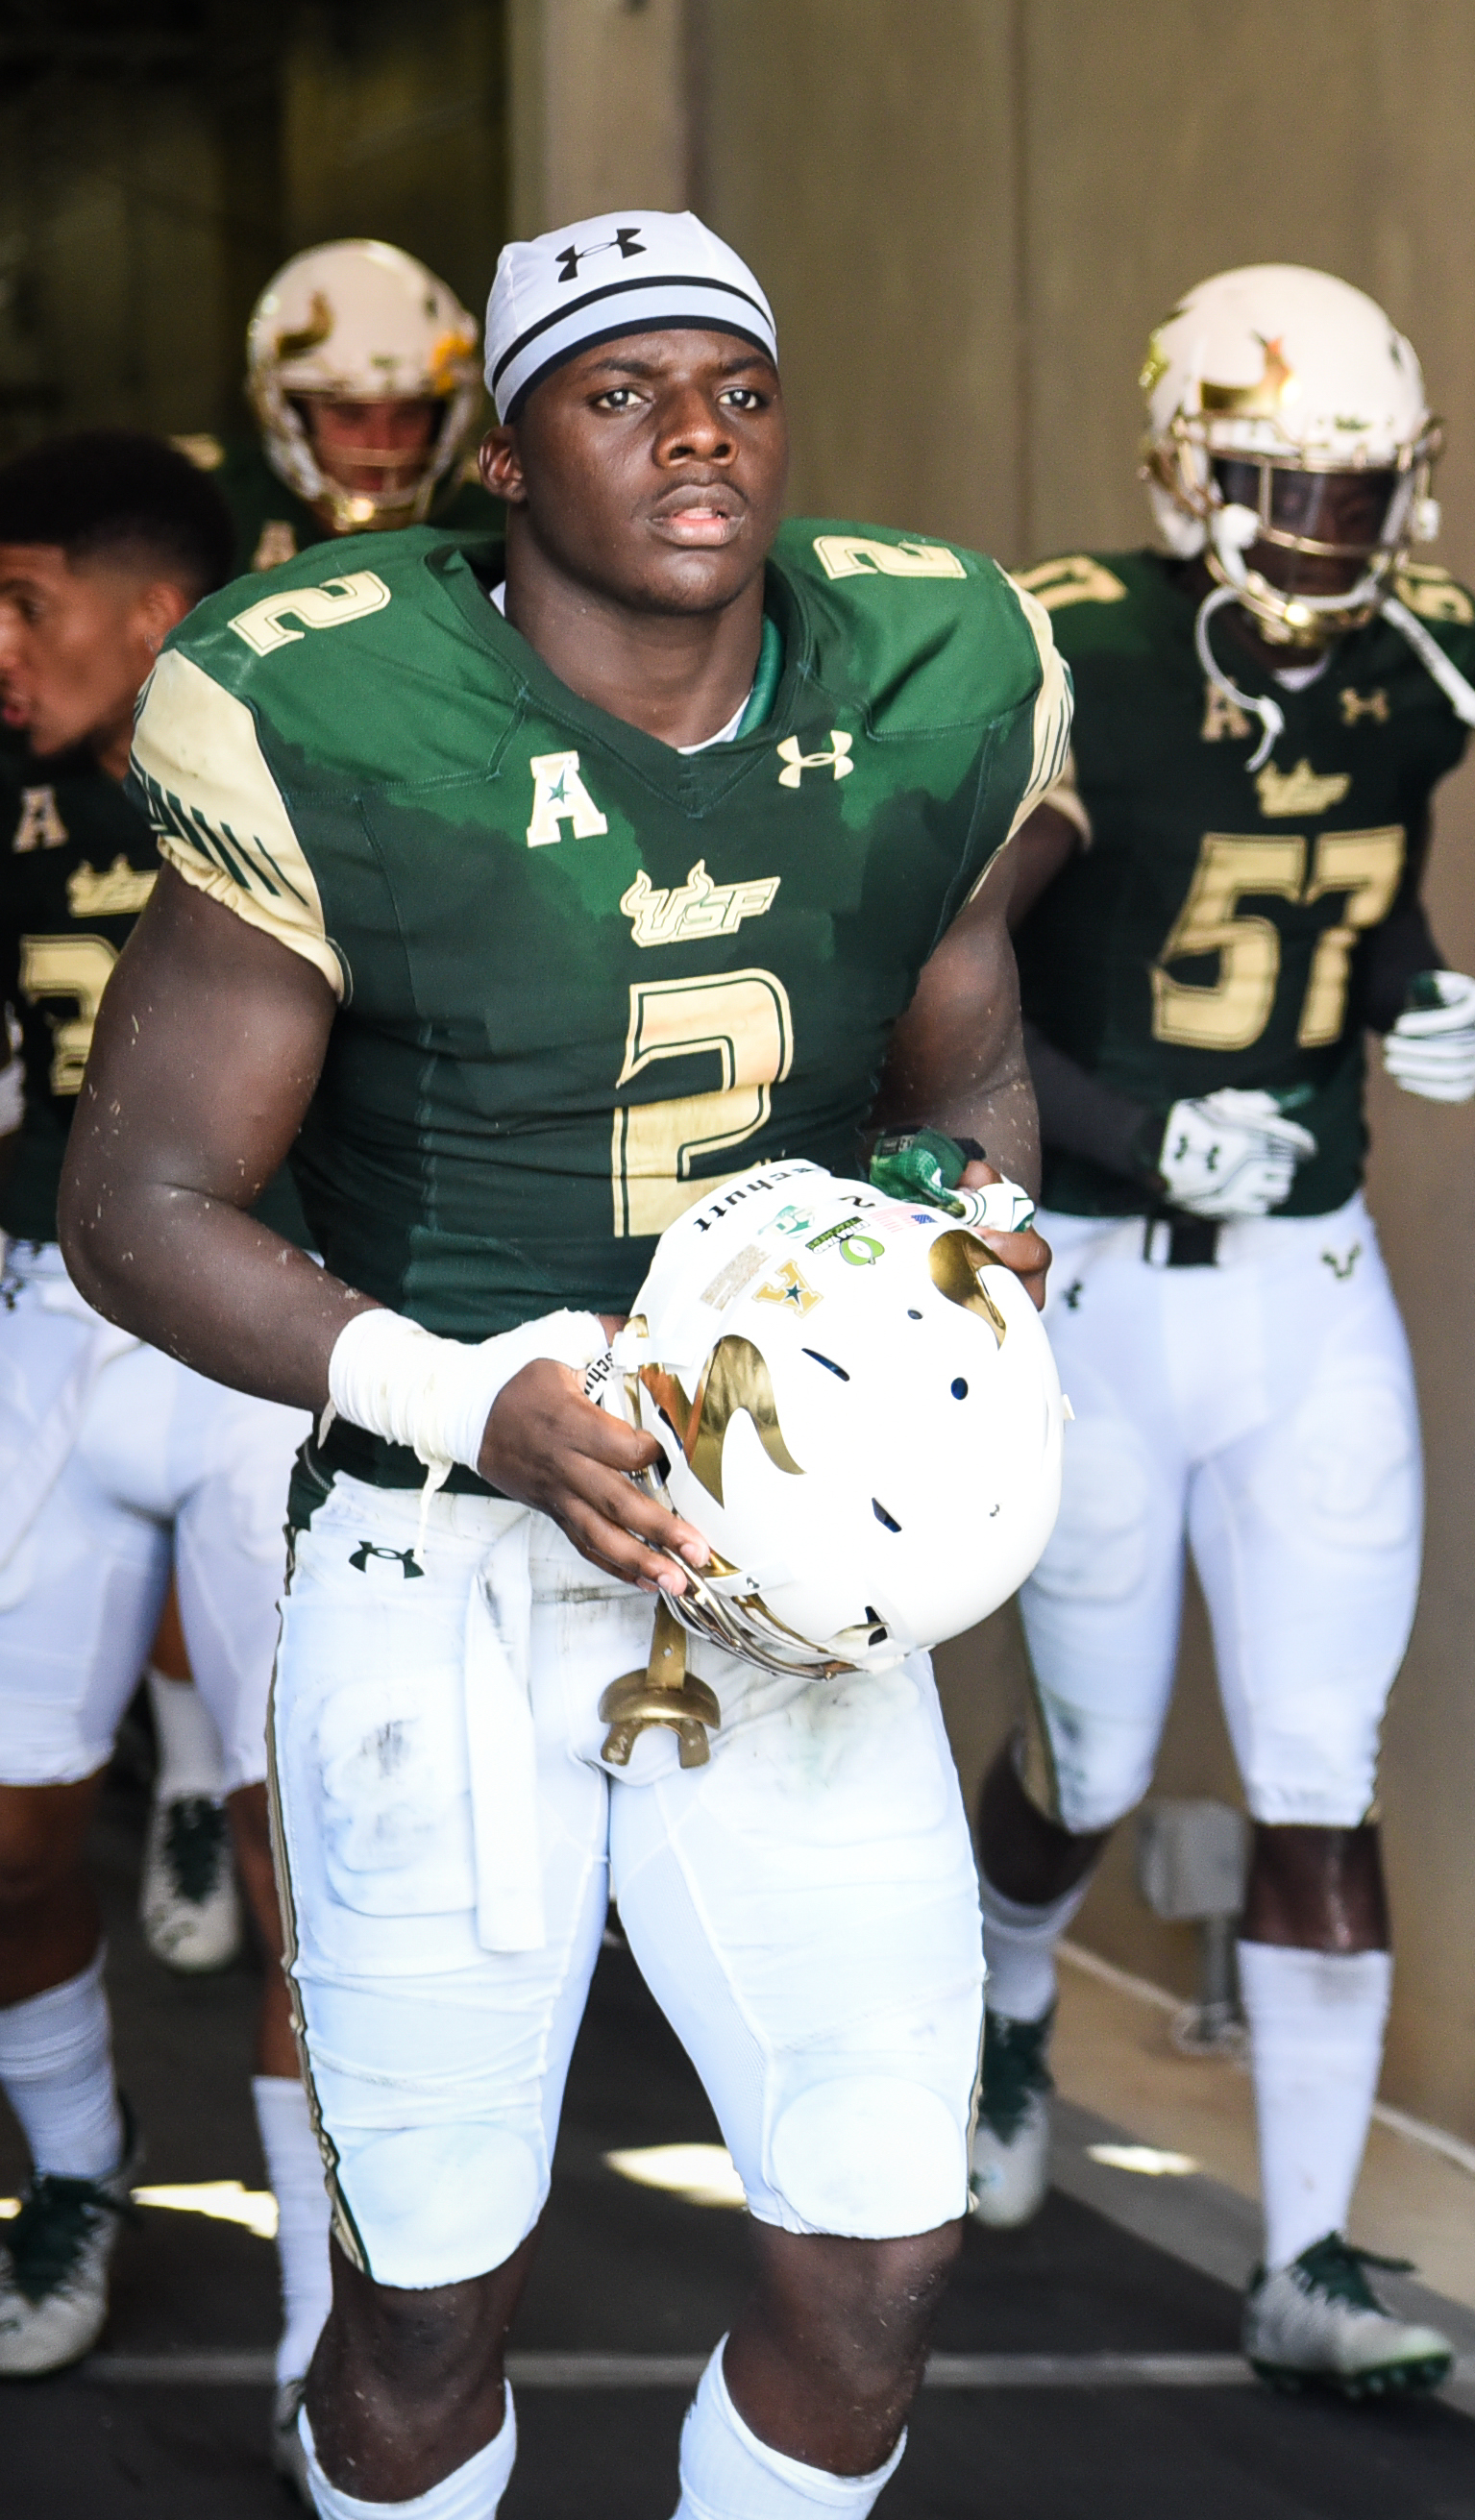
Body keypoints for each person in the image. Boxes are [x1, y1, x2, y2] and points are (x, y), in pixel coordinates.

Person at [64, 209, 1071, 2520]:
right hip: (447, 1554)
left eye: (735, 386)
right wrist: (469, 1393)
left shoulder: (920, 666)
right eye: (620, 395)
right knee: (424, 2296)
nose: (695, 435)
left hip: (786, 1576)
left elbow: (971, 1070)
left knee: (884, 2245)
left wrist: (973, 1249)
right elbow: (139, 1211)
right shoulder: (339, 704)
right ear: (503, 460)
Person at [963, 261, 1475, 2398]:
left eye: (1359, 493)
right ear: (1185, 473)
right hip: (1097, 1287)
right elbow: (954, 983)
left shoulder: (1414, 668)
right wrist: (1112, 1128)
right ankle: (1012, 2010)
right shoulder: (1071, 652)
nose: (1325, 534)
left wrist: (1418, 1000)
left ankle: (1309, 2254)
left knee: (1316, 1768)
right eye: (1280, 485)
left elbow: (1350, 903)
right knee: (1089, 1753)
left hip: (1314, 1289)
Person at [0, 431, 331, 2403]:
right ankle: (82, 2172)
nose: (2, 647)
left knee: (312, 1864)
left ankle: (325, 2321)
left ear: (161, 612)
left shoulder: (314, 775)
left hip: (271, 1356)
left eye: (29, 603)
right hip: (44, 1333)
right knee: (14, 1842)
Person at [180, 238, 504, 576]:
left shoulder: (494, 521)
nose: (383, 445)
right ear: (287, 413)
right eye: (350, 415)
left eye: (409, 414)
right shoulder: (203, 505)